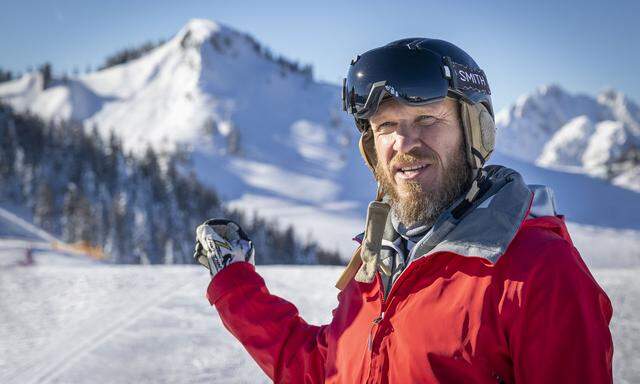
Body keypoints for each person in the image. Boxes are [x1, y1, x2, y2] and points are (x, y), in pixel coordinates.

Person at [194, 38, 613, 383]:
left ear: (476, 131)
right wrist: (235, 285)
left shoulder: (539, 273)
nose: (404, 143)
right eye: (386, 127)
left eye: (427, 119)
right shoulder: (382, 261)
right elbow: (324, 369)